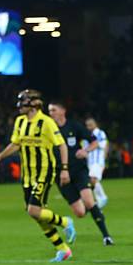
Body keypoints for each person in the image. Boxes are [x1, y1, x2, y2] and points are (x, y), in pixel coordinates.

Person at [0, 90, 75, 262]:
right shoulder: (20, 121)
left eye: (23, 102)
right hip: (27, 174)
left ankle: (65, 222)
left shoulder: (47, 122)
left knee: (33, 210)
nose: (20, 105)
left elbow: (62, 146)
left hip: (44, 171)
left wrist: (64, 168)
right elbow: (16, 143)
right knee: (36, 214)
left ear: (34, 104)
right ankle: (63, 249)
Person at [48, 102, 114, 246]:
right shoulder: (48, 130)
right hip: (61, 175)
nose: (51, 113)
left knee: (89, 201)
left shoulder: (74, 126)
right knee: (80, 213)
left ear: (62, 111)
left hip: (79, 170)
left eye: (53, 110)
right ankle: (70, 221)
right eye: (49, 110)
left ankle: (106, 236)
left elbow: (94, 142)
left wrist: (86, 151)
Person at [85, 116, 109, 208]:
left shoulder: (100, 133)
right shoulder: (87, 135)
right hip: (90, 161)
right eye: (87, 125)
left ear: (95, 124)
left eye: (91, 124)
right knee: (92, 180)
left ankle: (102, 197)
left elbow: (104, 144)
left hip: (97, 160)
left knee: (93, 179)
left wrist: (104, 158)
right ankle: (98, 198)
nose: (89, 127)